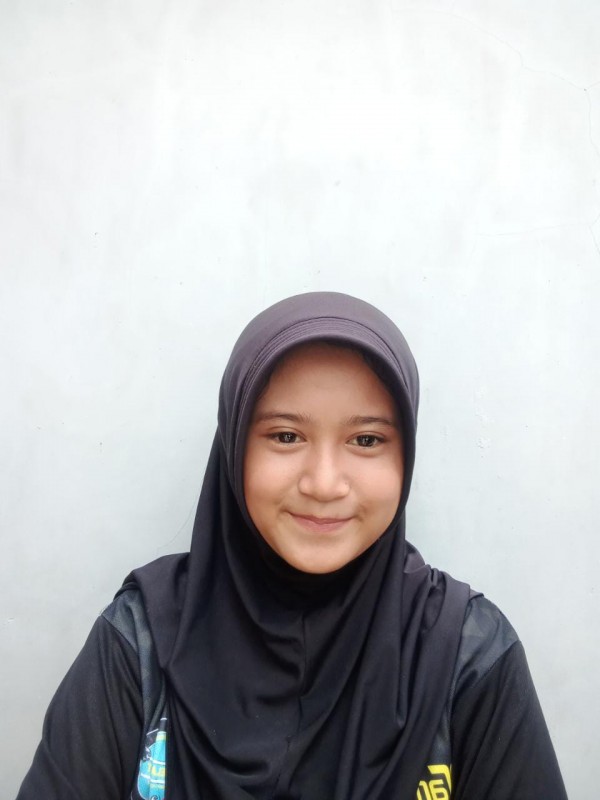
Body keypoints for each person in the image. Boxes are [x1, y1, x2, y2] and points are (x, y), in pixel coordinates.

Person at [17, 291, 567, 799]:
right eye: (285, 436)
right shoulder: (142, 641)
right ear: (235, 446)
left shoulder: (465, 654)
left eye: (366, 439)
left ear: (405, 456)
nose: (324, 484)